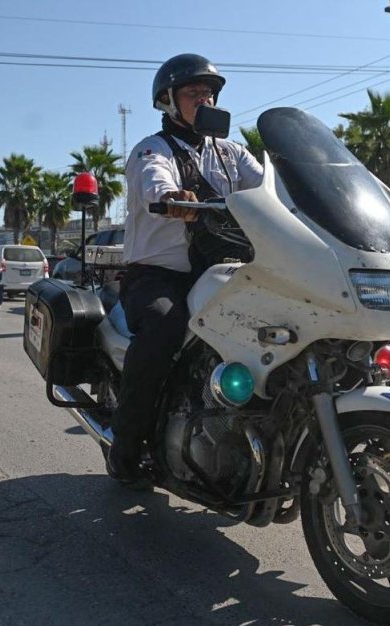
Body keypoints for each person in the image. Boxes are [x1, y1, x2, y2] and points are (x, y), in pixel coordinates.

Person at [106, 53, 264, 486]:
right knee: (164, 326)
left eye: (209, 93)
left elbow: (268, 186)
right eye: (193, 93)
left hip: (225, 271)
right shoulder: (152, 149)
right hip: (158, 276)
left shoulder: (231, 154)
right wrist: (171, 197)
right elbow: (154, 182)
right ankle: (126, 447)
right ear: (168, 101)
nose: (204, 99)